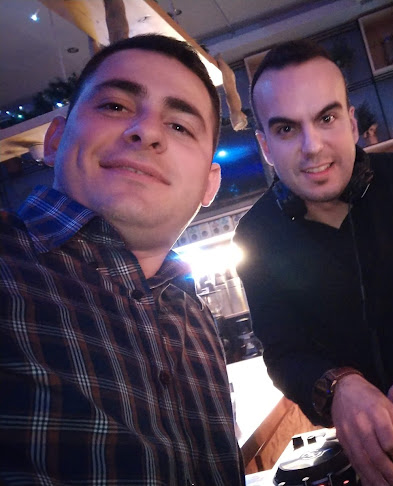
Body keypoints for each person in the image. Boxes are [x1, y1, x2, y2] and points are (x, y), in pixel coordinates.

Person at [234, 40, 393, 486]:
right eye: (286, 129)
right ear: (265, 146)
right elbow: (282, 350)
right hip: (358, 449)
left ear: (351, 123)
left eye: (326, 118)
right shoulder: (256, 234)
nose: (312, 146)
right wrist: (338, 386)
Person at [0, 34, 245, 485]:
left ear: (209, 185)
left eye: (180, 127)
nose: (147, 131)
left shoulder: (196, 322)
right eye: (115, 106)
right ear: (55, 140)